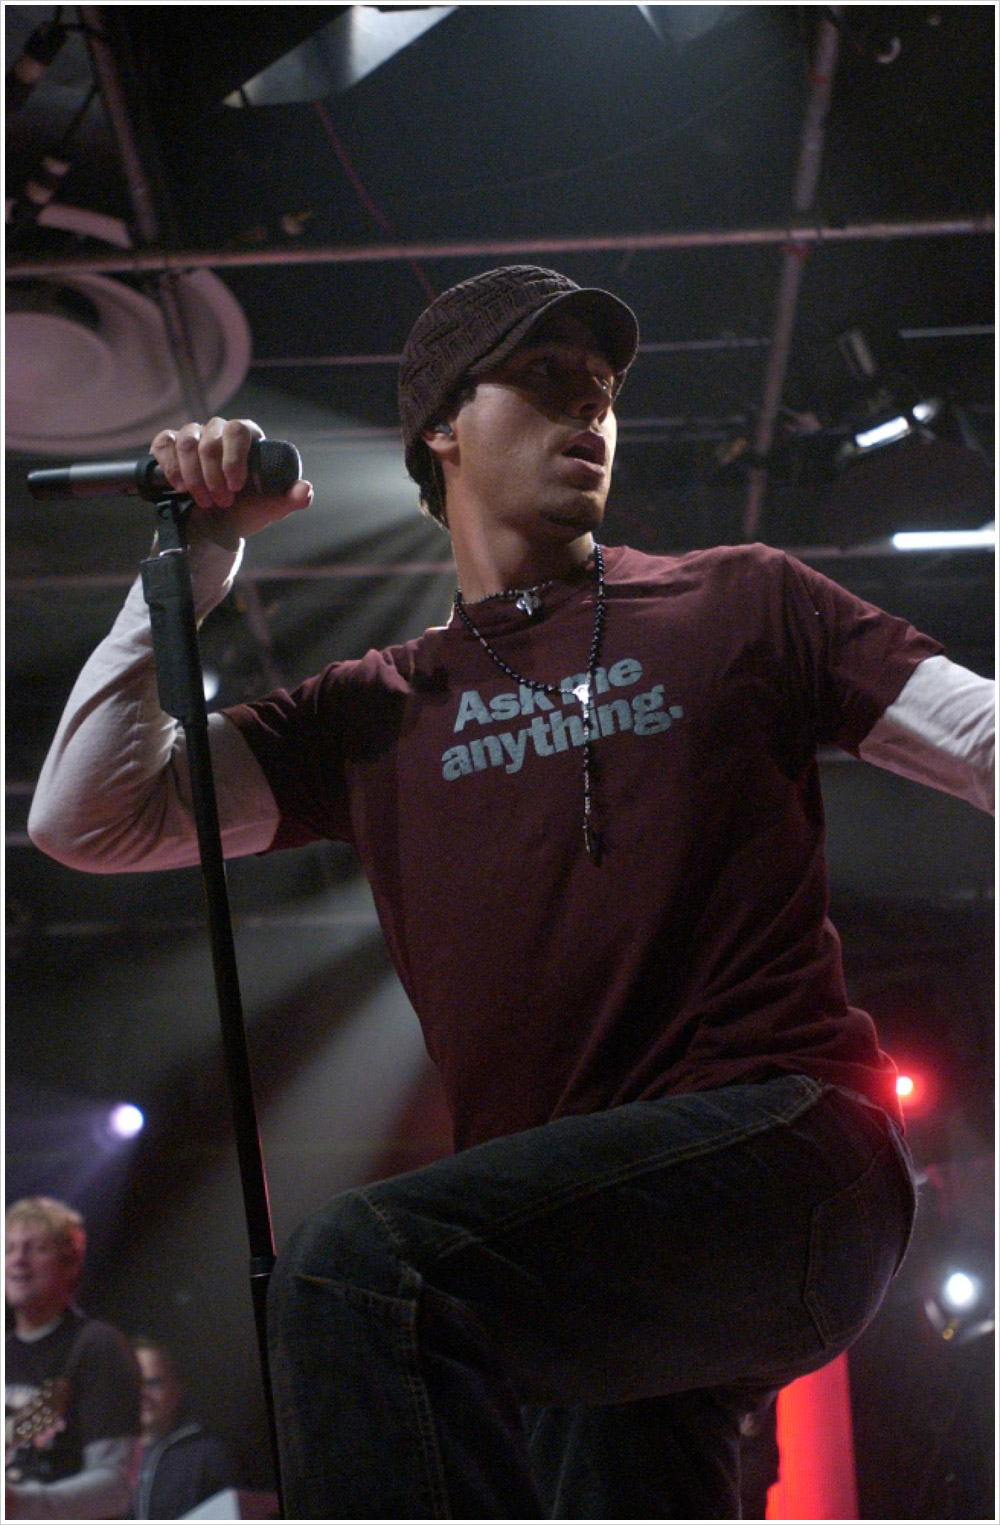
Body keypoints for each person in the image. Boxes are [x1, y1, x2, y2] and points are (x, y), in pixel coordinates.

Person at [27, 265, 994, 1518]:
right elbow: (86, 816)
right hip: (575, 1240)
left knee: (362, 1271)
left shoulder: (743, 600)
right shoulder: (372, 709)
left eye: (601, 388)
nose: (589, 407)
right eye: (544, 378)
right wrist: (199, 554)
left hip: (787, 1162)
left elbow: (979, 736)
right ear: (441, 425)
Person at [5, 1196, 141, 1519]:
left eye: (36, 1248)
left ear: (70, 1264)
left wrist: (20, 1505)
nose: (18, 1260)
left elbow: (115, 1487)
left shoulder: (97, 1346)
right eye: (9, 1249)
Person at [129, 1337, 234, 1519]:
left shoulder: (208, 1455)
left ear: (176, 1388)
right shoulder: (111, 1461)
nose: (143, 1394)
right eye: (133, 1384)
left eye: (153, 1383)